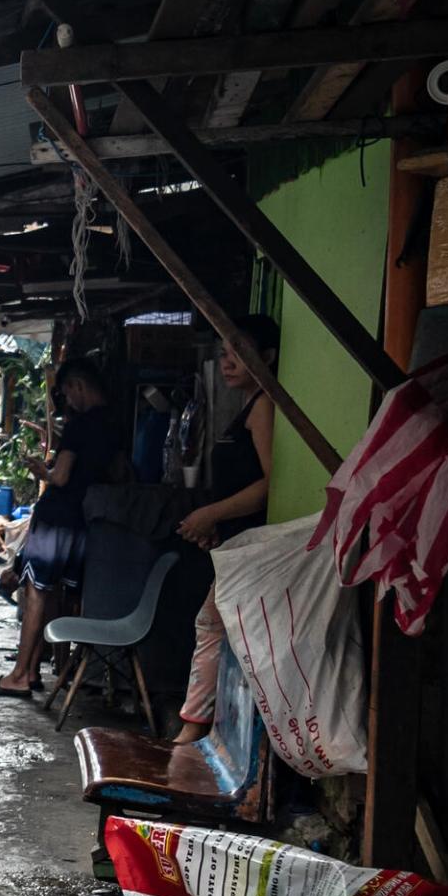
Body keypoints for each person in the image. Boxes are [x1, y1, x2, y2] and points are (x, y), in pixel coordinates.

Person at [0, 359, 116, 698]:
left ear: (78, 385)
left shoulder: (79, 425)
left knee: (36, 592)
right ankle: (46, 670)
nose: (67, 400)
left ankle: (21, 674)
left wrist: (42, 470)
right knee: (60, 594)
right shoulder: (113, 424)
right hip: (82, 520)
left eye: (67, 392)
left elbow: (61, 476)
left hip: (56, 516)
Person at [174, 316, 278, 743]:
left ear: (268, 357)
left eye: (239, 352)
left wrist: (211, 513)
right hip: (235, 543)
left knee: (211, 624)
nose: (227, 362)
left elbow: (270, 485)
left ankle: (193, 728)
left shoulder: (265, 407)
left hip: (252, 545)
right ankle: (203, 730)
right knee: (218, 627)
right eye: (224, 354)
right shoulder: (249, 405)